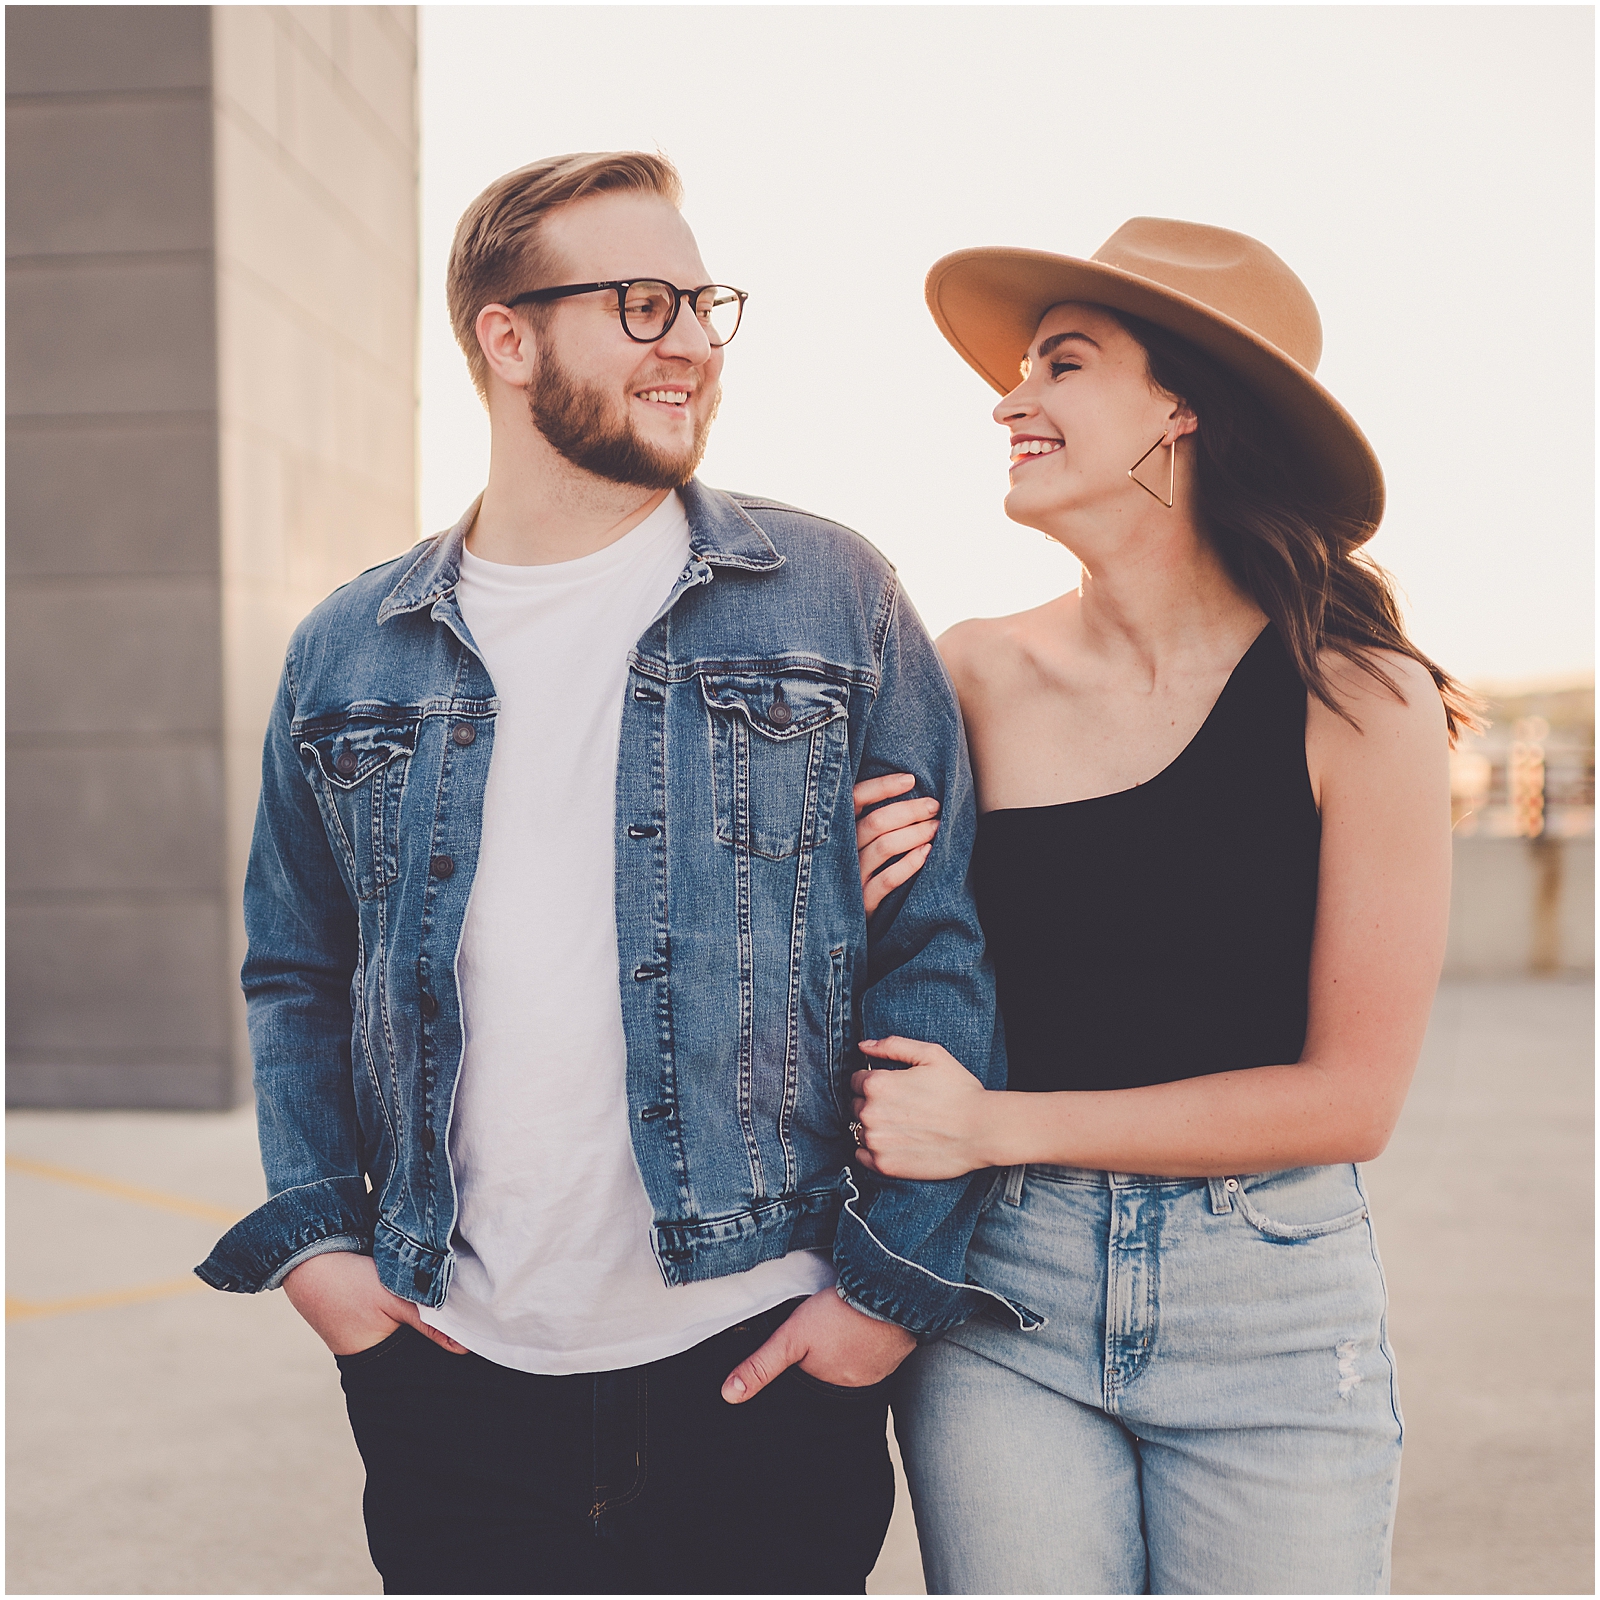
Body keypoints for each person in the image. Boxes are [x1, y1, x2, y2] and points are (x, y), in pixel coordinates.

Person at [195, 151, 1030, 1597]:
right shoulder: (348, 647)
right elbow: (295, 970)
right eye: (644, 305)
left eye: (704, 304)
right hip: (454, 1368)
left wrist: (882, 1301)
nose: (696, 343)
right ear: (507, 339)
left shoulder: (832, 596)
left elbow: (934, 955)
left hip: (762, 1357)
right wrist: (326, 1258)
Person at [850, 218, 1473, 1594]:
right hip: (1005, 1296)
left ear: (1184, 408)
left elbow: (1348, 1098)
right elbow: (881, 961)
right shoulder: (969, 674)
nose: (1009, 401)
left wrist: (996, 1125)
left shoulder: (1362, 699)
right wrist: (836, 885)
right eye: (1019, 372)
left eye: (1061, 365)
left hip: (1270, 1309)